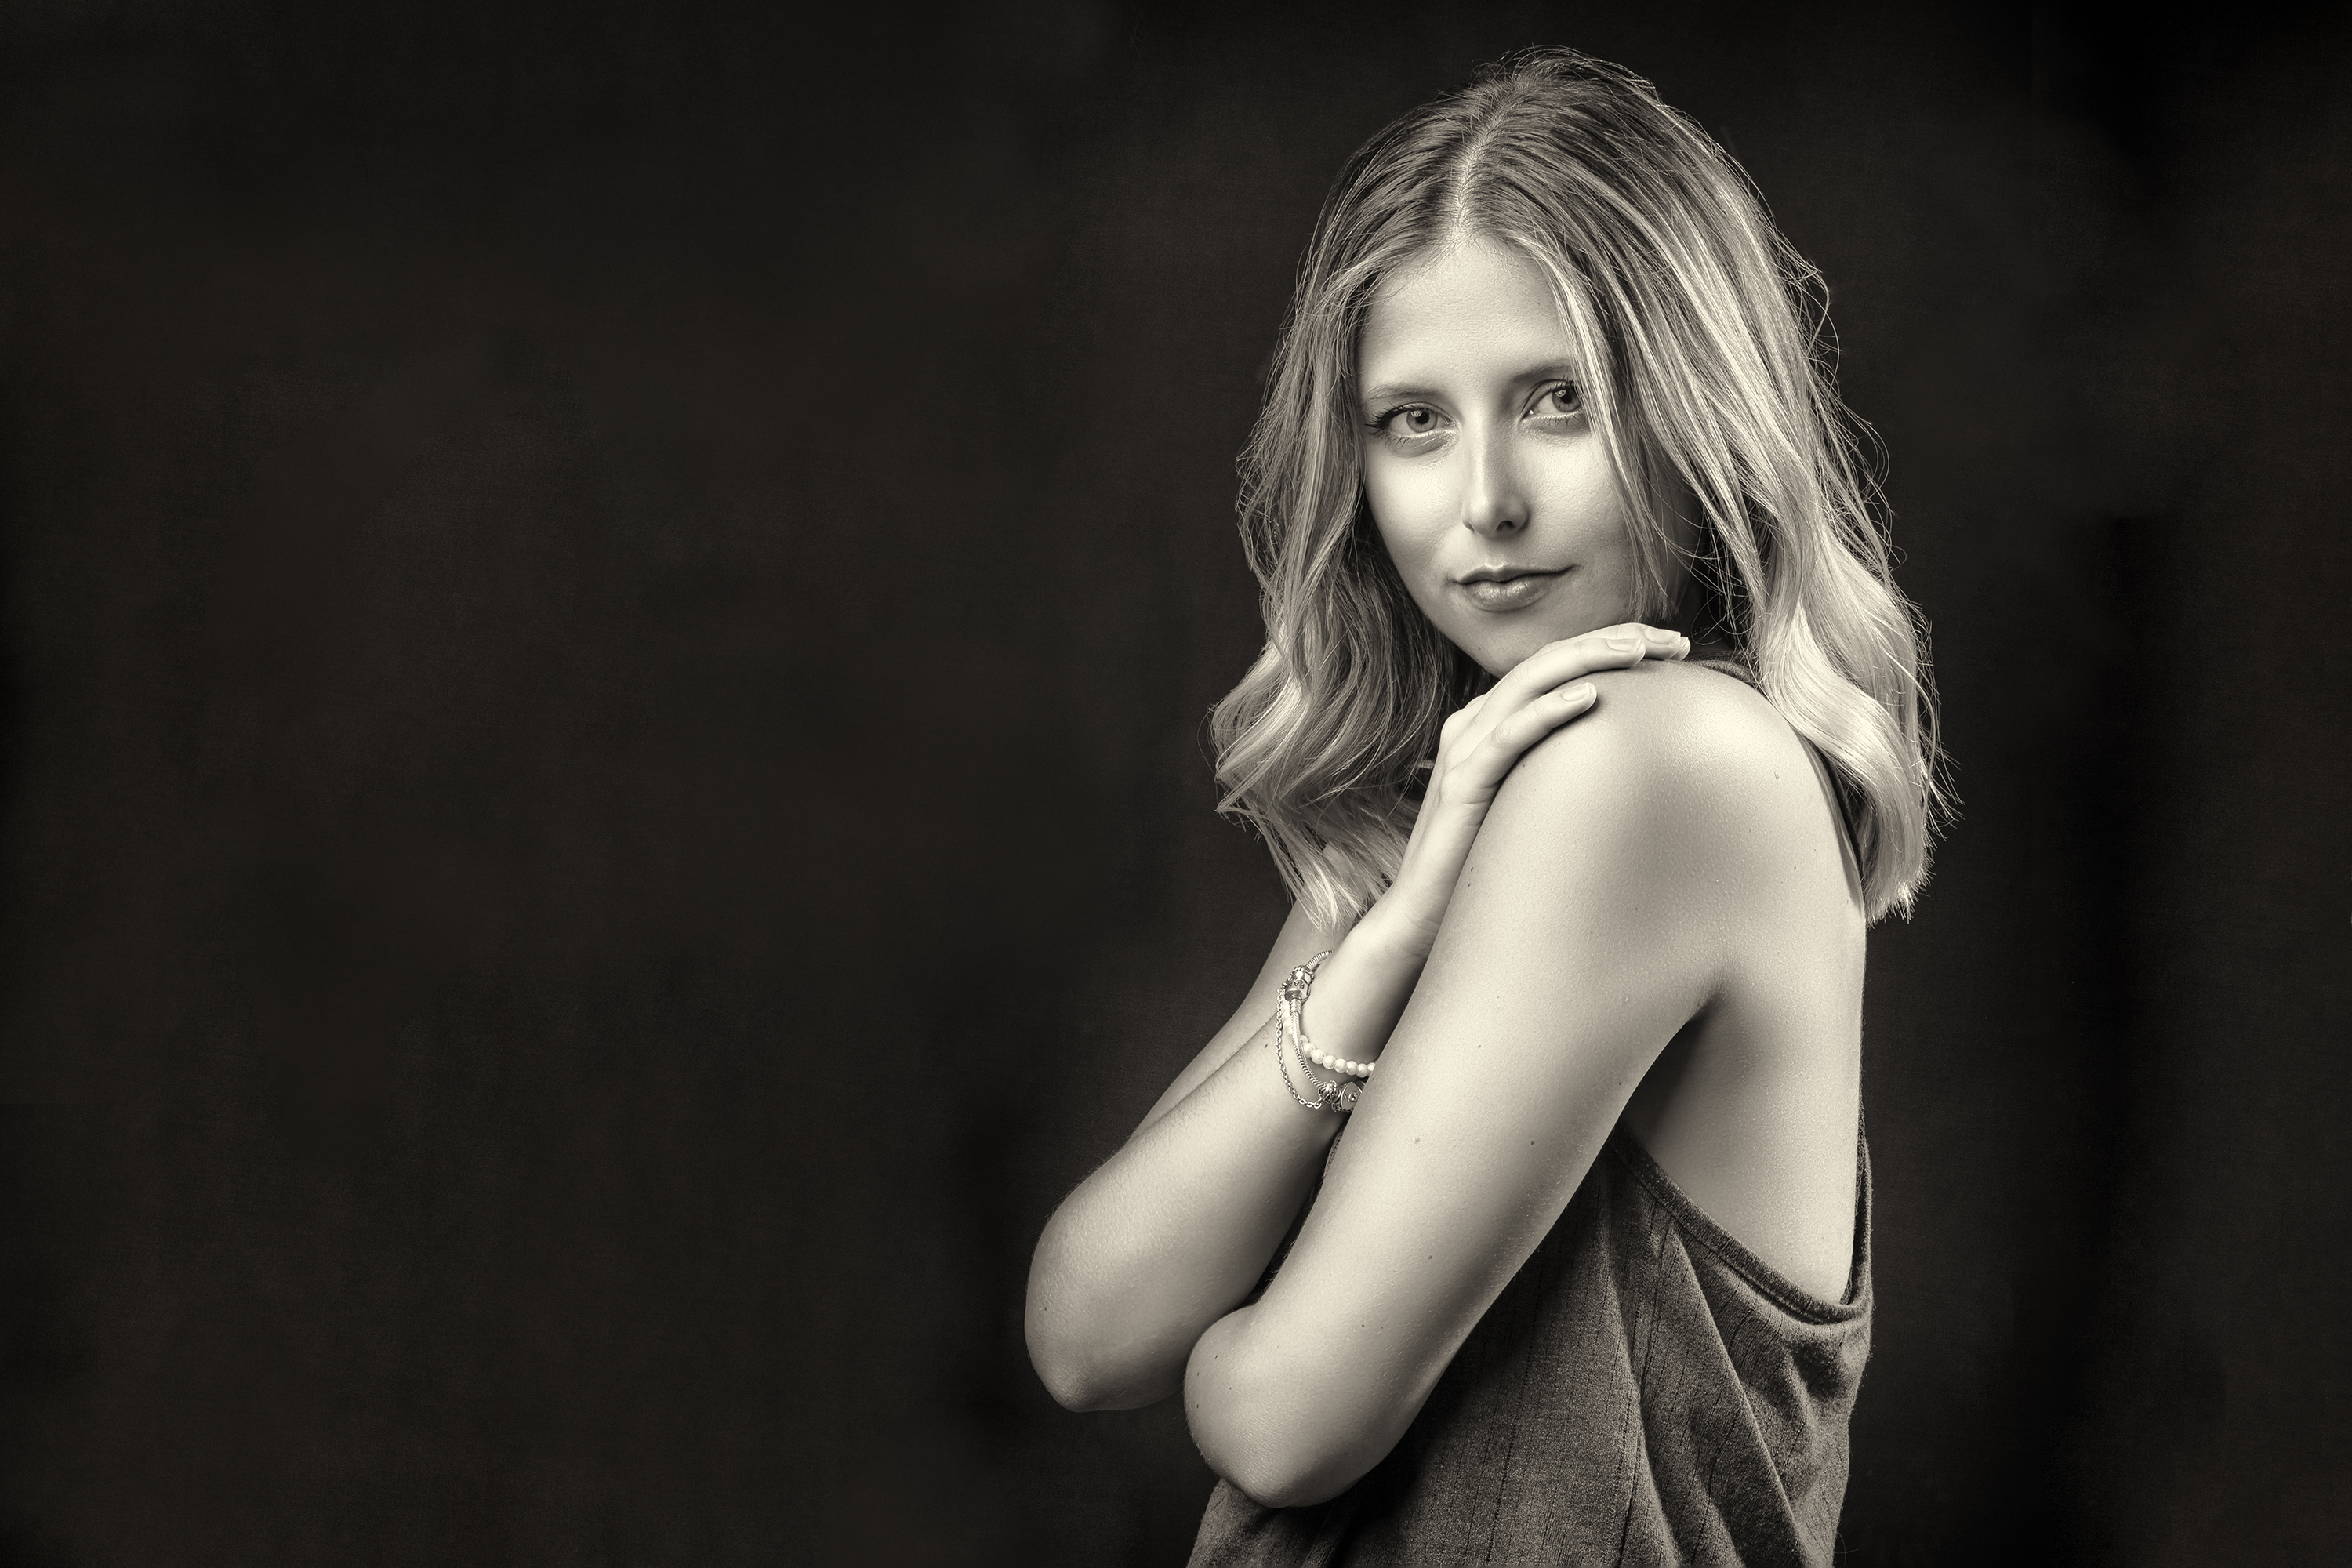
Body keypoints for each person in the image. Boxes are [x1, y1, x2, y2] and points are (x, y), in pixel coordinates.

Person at [1025, 49, 1942, 1566]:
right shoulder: (1479, 786)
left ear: (1697, 406)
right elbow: (1085, 1327)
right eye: (1414, 421)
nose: (1486, 501)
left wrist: (1236, 1335)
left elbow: (1278, 1421)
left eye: (1558, 400)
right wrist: (1385, 938)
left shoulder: (1654, 762)